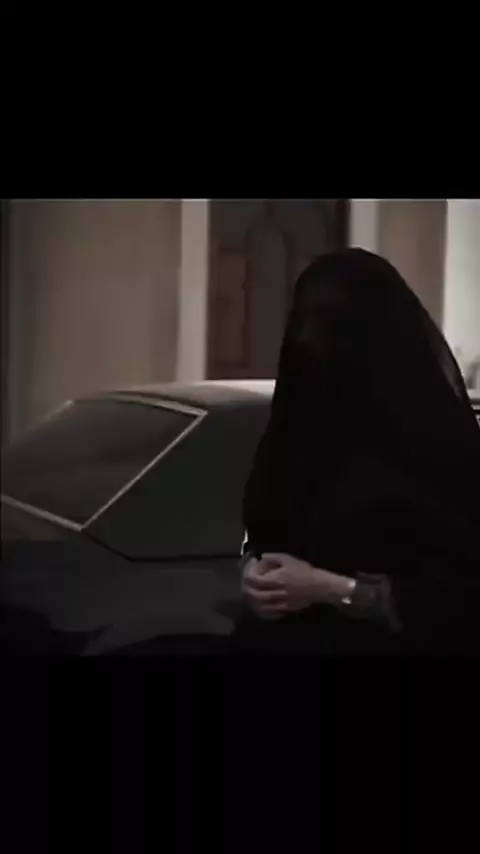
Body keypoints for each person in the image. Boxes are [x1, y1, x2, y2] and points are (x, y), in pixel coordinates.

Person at [233, 248, 480, 655]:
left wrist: (334, 589)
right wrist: (252, 573)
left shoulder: (434, 448)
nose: (309, 338)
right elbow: (265, 533)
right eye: (304, 320)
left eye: (330, 321)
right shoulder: (295, 433)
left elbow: (463, 594)